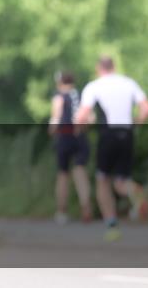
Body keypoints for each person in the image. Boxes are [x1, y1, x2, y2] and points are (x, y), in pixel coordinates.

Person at [75, 56, 148, 241]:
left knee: (102, 179)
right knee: (120, 182)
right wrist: (137, 124)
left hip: (107, 135)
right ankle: (135, 192)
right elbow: (147, 108)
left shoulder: (94, 86)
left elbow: (81, 115)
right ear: (114, 67)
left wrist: (81, 128)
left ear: (98, 68)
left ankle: (111, 225)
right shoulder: (128, 83)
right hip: (127, 134)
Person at [48, 72, 92, 224]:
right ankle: (86, 206)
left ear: (60, 83)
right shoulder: (80, 95)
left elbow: (56, 114)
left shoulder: (59, 96)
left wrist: (52, 130)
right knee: (80, 170)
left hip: (64, 136)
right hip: (80, 137)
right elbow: (89, 117)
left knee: (63, 174)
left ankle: (61, 211)